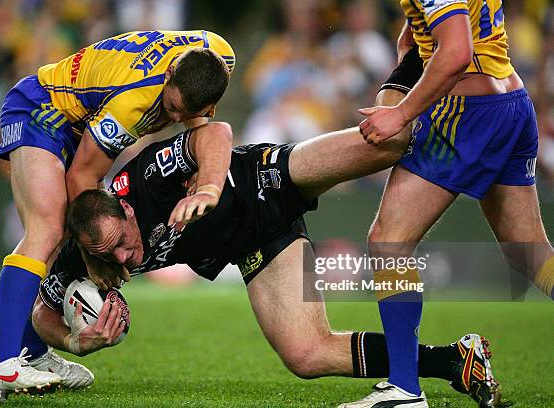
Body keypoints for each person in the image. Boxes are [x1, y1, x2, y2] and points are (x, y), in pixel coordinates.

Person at [32, 118, 498, 407]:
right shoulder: (83, 255)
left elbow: (214, 132)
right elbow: (43, 315)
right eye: (106, 255)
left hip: (264, 179)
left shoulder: (146, 180)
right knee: (306, 354)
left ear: (127, 209)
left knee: (387, 140)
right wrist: (76, 342)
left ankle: (457, 103)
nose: (123, 258)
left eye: (122, 242)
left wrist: (211, 186)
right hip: (255, 245)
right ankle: (455, 361)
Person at [0, 30, 235, 394]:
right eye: (171, 105)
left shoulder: (219, 55)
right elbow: (85, 175)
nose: (174, 115)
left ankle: (31, 353)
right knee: (49, 229)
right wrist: (94, 256)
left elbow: (198, 114)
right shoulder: (131, 103)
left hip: (80, 118)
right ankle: (1, 365)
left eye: (185, 113)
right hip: (43, 110)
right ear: (168, 75)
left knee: (56, 235)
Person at [347, 1, 554, 407]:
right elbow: (425, 35)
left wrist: (400, 114)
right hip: (510, 102)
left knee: (390, 240)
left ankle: (404, 389)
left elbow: (456, 53)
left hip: (468, 113)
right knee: (528, 253)